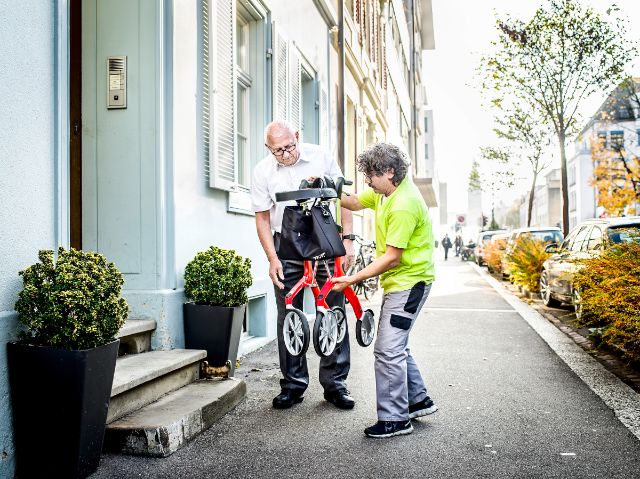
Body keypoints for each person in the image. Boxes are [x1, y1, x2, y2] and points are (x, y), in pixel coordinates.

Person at [333, 142, 438, 438]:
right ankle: (417, 401)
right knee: (397, 346)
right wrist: (327, 189)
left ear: (389, 171)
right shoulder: (385, 192)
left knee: (387, 350)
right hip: (402, 283)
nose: (368, 180)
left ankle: (395, 419)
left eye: (371, 175)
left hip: (410, 284)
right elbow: (353, 202)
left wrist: (352, 280)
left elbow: (393, 257)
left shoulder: (404, 203)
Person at [251, 120, 356, 410]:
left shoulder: (321, 156)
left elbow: (343, 197)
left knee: (333, 308)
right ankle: (293, 385)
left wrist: (347, 240)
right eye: (278, 151)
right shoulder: (263, 171)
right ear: (268, 148)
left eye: (289, 147)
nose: (285, 155)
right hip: (285, 243)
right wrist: (273, 258)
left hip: (322, 237)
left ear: (298, 136)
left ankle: (336, 385)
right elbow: (261, 217)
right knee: (288, 312)